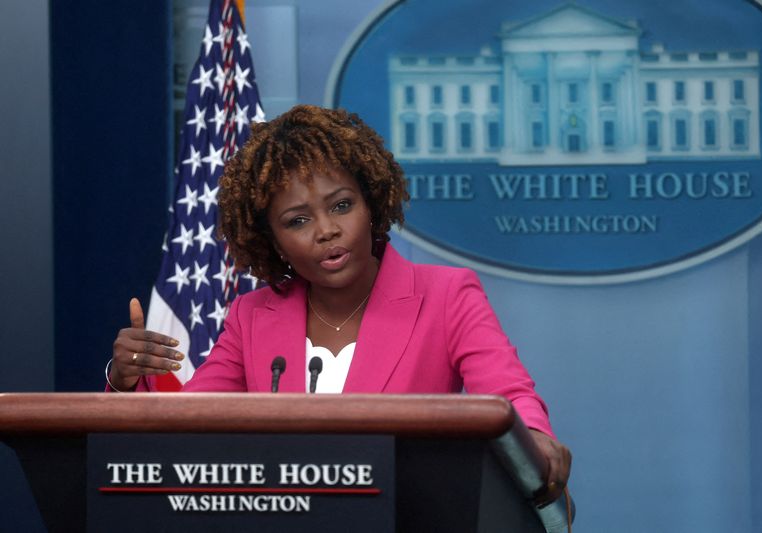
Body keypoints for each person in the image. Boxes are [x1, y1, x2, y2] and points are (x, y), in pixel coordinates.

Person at [109, 104, 571, 505]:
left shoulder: (447, 295)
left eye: (342, 206)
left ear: (371, 202)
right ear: (273, 241)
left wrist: (534, 442)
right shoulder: (251, 317)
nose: (326, 230)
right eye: (298, 220)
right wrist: (125, 382)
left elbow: (510, 395)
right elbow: (190, 424)